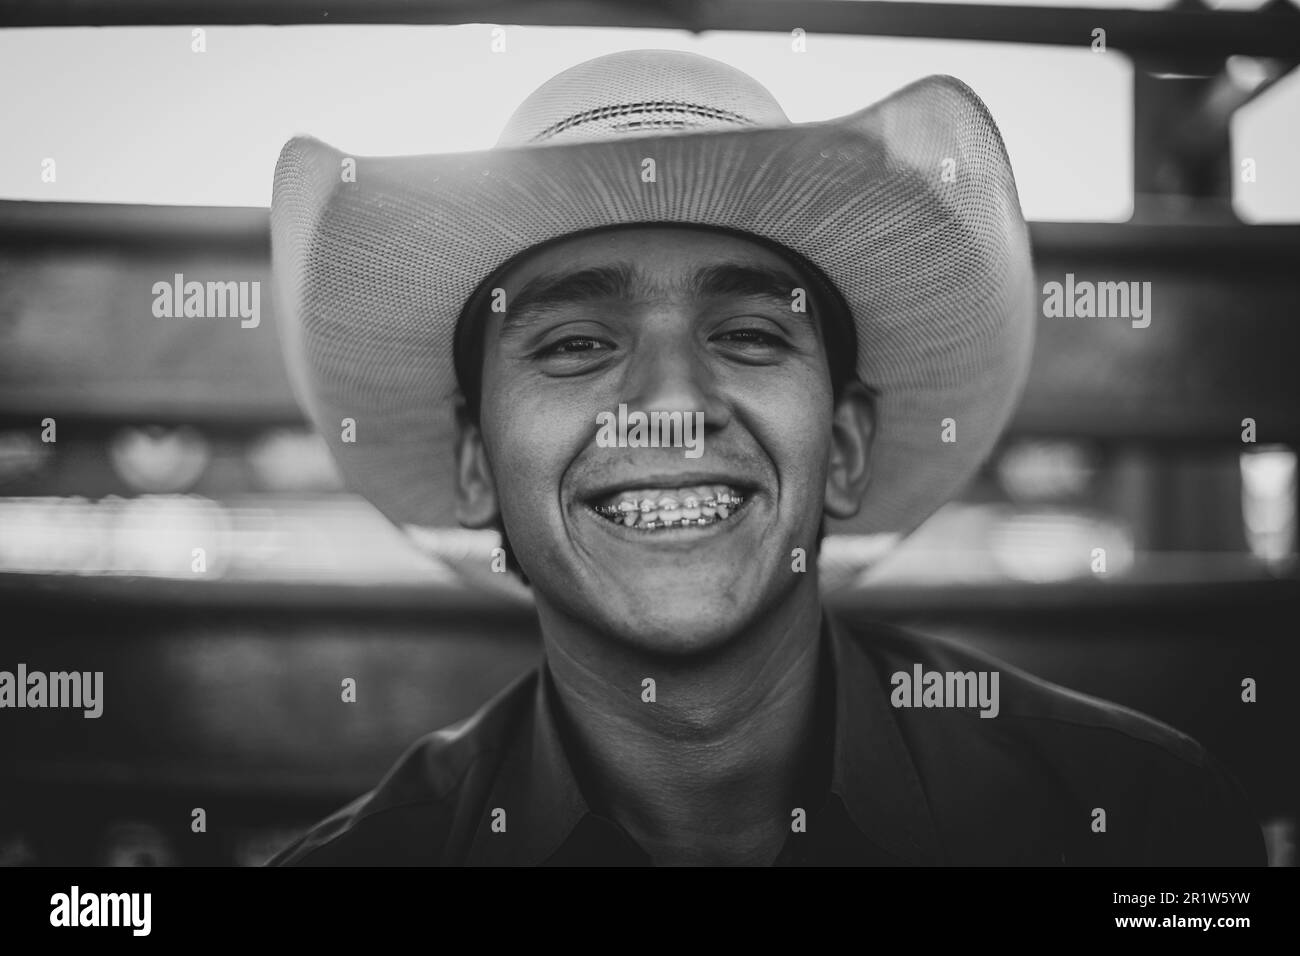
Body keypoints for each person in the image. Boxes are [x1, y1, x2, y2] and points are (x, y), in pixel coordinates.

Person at [266, 49, 1265, 866]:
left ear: (844, 446)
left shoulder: (1137, 823)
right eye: (573, 344)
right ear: (476, 463)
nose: (669, 407)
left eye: (748, 334)